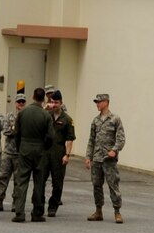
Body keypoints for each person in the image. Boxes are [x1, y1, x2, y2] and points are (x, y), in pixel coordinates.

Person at [12, 86, 54, 222]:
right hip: (40, 150)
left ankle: (19, 212)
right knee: (39, 182)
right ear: (43, 99)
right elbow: (51, 136)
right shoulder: (46, 115)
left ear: (33, 97)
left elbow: (16, 133)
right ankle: (37, 212)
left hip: (24, 148)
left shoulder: (23, 113)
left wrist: (19, 147)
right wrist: (45, 147)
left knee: (21, 180)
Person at [85, 91, 125, 222]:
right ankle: (98, 211)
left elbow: (121, 139)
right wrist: (88, 156)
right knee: (96, 185)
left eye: (99, 102)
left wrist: (114, 150)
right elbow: (91, 140)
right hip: (97, 158)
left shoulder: (115, 119)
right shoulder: (95, 121)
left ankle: (117, 212)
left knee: (113, 185)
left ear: (106, 102)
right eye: (96, 102)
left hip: (109, 160)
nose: (97, 104)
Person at [45, 87, 76, 216]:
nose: (54, 105)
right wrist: (45, 110)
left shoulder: (67, 119)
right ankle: (39, 204)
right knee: (41, 179)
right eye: (52, 102)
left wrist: (67, 155)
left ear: (61, 103)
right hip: (45, 151)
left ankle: (53, 205)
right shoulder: (46, 115)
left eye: (56, 102)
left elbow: (70, 139)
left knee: (57, 182)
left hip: (58, 152)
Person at [0, 91, 24, 212]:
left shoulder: (26, 116)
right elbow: (6, 131)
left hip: (20, 153)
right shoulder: (9, 116)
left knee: (18, 180)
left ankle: (16, 203)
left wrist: (14, 129)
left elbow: (25, 132)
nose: (20, 104)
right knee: (3, 177)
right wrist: (17, 130)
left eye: (22, 102)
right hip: (8, 152)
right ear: (15, 103)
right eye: (19, 101)